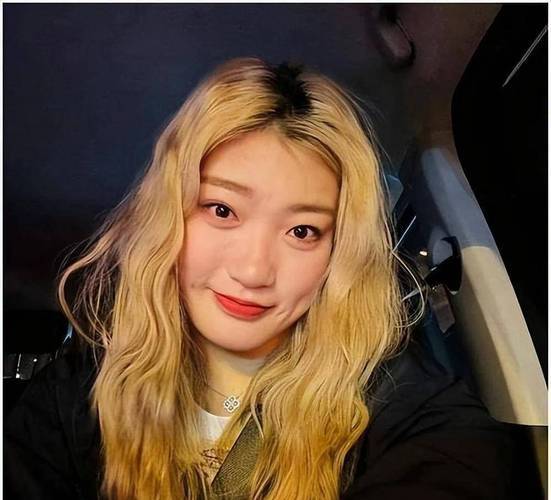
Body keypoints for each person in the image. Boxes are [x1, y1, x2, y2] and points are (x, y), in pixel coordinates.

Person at [4, 58, 514, 500]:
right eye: (221, 210)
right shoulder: (74, 400)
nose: (252, 271)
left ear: (338, 252)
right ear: (167, 217)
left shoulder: (403, 408)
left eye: (302, 231)